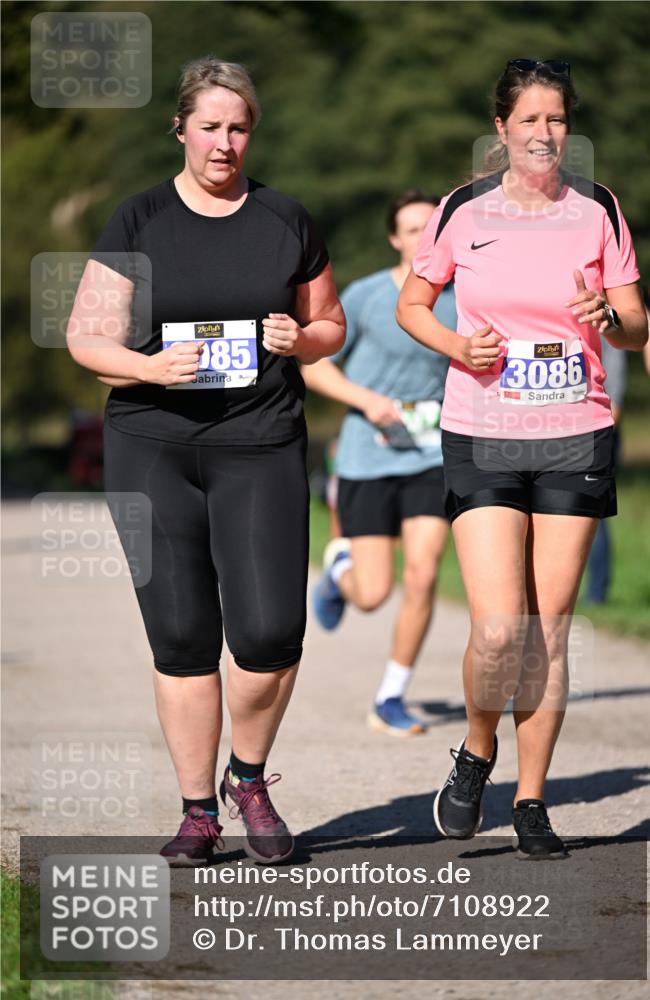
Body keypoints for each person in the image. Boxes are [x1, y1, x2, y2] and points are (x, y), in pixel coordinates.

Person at [66, 58, 345, 865]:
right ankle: (197, 811)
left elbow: (328, 325)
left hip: (259, 442)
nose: (226, 142)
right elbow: (89, 335)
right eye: (211, 126)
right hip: (152, 445)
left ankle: (248, 777)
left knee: (269, 632)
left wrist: (304, 338)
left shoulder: (285, 219)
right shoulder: (140, 220)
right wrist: (150, 368)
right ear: (182, 129)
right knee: (183, 636)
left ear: (251, 133)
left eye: (240, 127)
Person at [397, 59, 647, 857]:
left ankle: (531, 800)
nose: (544, 135)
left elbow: (637, 328)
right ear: (500, 128)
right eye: (529, 120)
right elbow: (413, 304)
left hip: (575, 430)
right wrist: (455, 345)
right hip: (483, 430)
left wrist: (609, 312)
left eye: (557, 120)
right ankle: (476, 750)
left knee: (547, 629)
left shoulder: (597, 209)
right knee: (500, 628)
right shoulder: (462, 211)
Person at [304, 192, 455, 736]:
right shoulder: (366, 296)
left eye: (430, 229)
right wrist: (365, 400)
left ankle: (391, 695)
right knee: (373, 594)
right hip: (368, 455)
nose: (422, 239)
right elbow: (313, 367)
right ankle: (339, 573)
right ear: (395, 238)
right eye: (411, 230)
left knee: (423, 572)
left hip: (431, 454)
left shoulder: (464, 298)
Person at [585, 339, 626, 603]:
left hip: (597, 430)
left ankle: (596, 594)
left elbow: (616, 385)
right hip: (559, 429)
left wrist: (602, 433)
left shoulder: (604, 314)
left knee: (593, 513)